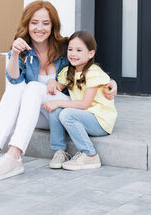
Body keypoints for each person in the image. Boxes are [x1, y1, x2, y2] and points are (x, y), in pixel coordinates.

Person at [0, 1, 118, 181]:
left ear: (52, 25)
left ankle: (14, 156)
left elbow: (88, 68)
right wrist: (15, 55)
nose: (40, 28)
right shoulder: (21, 50)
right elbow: (14, 79)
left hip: (60, 112)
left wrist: (111, 82)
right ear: (27, 24)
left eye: (46, 23)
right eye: (34, 23)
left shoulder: (65, 47)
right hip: (36, 114)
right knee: (16, 88)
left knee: (32, 87)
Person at [43, 30, 117, 170]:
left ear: (91, 53)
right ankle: (60, 151)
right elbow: (58, 87)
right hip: (83, 117)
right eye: (70, 49)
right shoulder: (68, 71)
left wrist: (58, 102)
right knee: (56, 110)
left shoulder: (94, 73)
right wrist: (52, 82)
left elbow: (84, 104)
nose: (73, 54)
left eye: (79, 50)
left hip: (100, 121)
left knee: (65, 112)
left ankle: (90, 155)